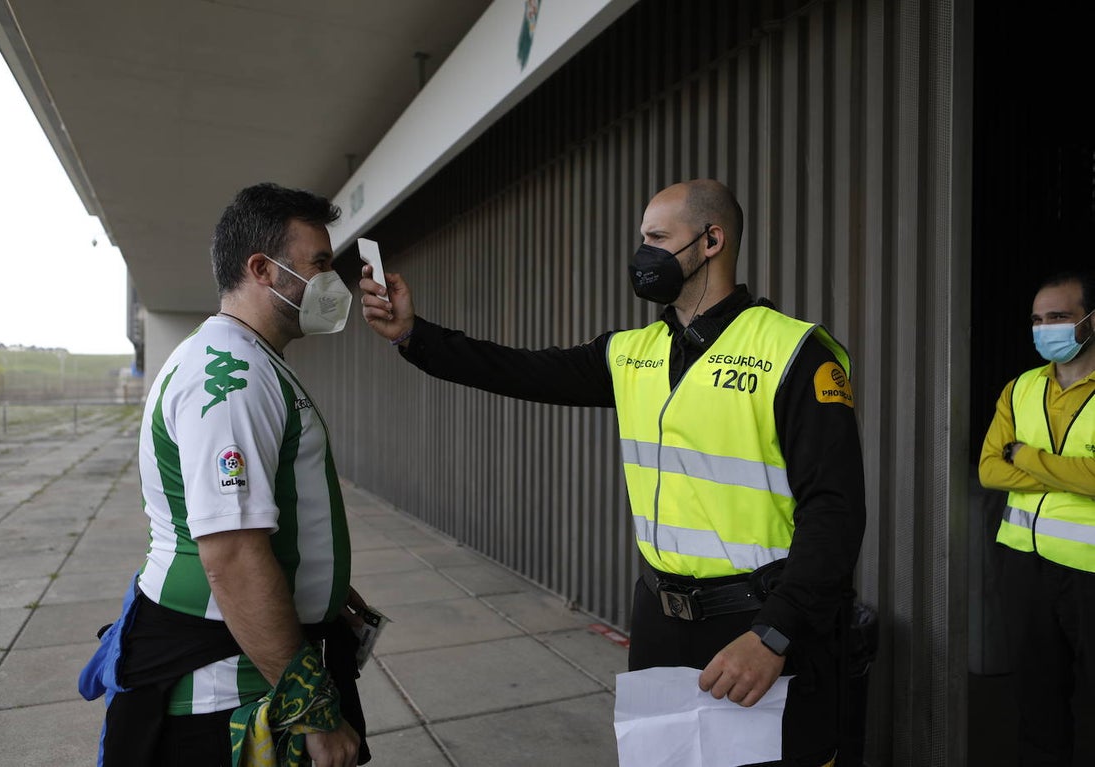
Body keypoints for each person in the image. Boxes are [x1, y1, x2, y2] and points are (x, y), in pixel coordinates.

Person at [358, 179, 866, 766]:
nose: (643, 253)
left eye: (657, 237)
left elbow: (834, 510)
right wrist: (413, 335)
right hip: (659, 618)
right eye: (641, 238)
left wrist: (776, 634)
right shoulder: (631, 352)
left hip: (756, 626)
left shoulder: (796, 353)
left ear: (711, 240)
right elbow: (518, 370)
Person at [79, 182, 369, 767]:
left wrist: (327, 586)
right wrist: (312, 708)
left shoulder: (248, 358)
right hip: (224, 689)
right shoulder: (231, 375)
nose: (332, 283)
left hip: (248, 662)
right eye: (319, 264)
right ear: (262, 269)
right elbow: (233, 553)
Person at [978, 270, 1095, 767]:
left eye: (1059, 317)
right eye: (1038, 319)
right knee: (1036, 700)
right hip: (1024, 567)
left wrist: (1023, 456)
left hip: (1090, 572)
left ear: (1090, 322)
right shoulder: (1020, 388)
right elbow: (987, 469)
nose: (1045, 328)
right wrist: (1069, 473)